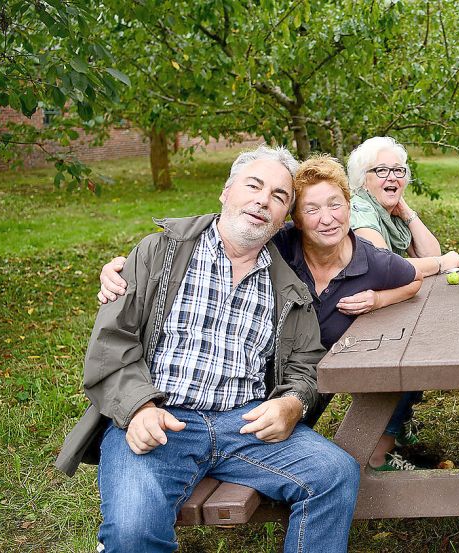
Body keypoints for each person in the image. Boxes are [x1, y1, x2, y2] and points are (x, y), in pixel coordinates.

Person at [56, 146, 360, 553]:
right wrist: (139, 408)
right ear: (226, 191)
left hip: (244, 425)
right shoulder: (159, 253)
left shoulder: (287, 285)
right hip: (161, 418)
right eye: (254, 186)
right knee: (132, 533)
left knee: (335, 473)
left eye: (278, 196)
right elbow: (112, 344)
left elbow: (306, 364)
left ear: (284, 216)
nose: (262, 201)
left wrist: (292, 403)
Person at [97, 154, 425, 471]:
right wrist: (122, 269)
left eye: (335, 205)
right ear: (293, 220)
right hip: (238, 386)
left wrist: (377, 300)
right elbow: (226, 229)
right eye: (311, 209)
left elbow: (415, 279)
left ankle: (380, 446)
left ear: (349, 207)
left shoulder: (364, 260)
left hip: (300, 377)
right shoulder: (277, 244)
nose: (326, 218)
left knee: (343, 456)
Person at [346, 136, 459, 277]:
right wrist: (440, 263)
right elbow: (386, 265)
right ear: (363, 180)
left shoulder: (390, 211)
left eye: (398, 170)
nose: (392, 177)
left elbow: (430, 254)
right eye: (382, 170)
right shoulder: (359, 209)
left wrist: (406, 212)